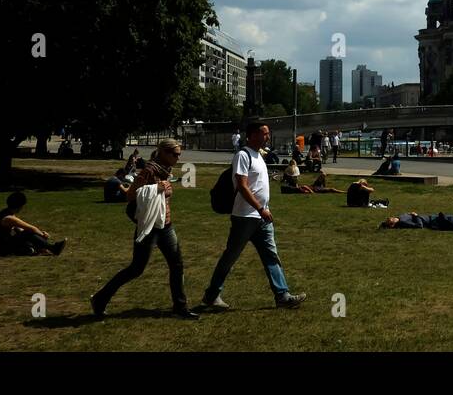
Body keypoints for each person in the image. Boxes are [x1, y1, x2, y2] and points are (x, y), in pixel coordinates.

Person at [201, 122, 307, 311]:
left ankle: (282, 295)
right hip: (245, 217)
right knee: (230, 257)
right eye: (265, 133)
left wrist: (264, 208)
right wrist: (260, 208)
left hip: (261, 217)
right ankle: (212, 295)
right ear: (252, 135)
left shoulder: (259, 155)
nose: (268, 136)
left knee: (271, 256)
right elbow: (242, 185)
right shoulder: (243, 155)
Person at [91, 139, 196, 319]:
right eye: (175, 154)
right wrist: (157, 188)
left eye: (179, 154)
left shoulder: (165, 170)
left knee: (177, 265)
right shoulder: (149, 171)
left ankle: (180, 306)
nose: (178, 158)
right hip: (149, 227)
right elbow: (131, 195)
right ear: (163, 152)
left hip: (165, 225)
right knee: (136, 269)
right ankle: (100, 298)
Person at [0, 191, 65, 256]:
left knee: (26, 237)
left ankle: (35, 249)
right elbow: (31, 228)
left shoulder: (6, 213)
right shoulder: (8, 218)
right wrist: (42, 235)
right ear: (20, 206)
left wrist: (39, 237)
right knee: (28, 232)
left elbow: (20, 230)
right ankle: (53, 248)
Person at [379, 212, 453, 230]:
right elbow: (419, 225)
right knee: (451, 220)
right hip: (432, 222)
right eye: (391, 220)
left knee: (452, 218)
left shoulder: (401, 217)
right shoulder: (402, 222)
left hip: (432, 218)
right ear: (392, 224)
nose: (391, 217)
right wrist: (416, 216)